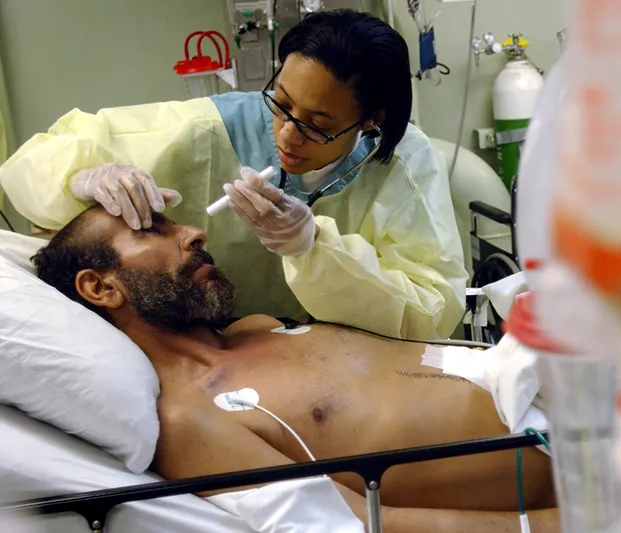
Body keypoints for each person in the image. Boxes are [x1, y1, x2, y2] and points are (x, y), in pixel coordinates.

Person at [32, 206, 555, 532]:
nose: (193, 232)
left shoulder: (257, 328)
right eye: (152, 229)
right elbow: (355, 523)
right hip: (580, 470)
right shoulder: (191, 422)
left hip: (568, 381)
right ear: (100, 288)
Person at [1, 10, 466, 340]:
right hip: (227, 350)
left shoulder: (402, 164)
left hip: (330, 352)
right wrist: (81, 176)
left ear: (370, 120)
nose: (285, 134)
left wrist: (316, 250)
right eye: (280, 102)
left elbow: (432, 309)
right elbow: (33, 164)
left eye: (316, 126)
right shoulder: (206, 129)